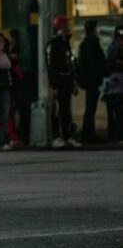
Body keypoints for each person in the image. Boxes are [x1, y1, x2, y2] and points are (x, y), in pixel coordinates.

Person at [46, 15, 81, 149]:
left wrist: (73, 82)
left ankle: (67, 135)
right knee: (56, 110)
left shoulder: (65, 44)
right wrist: (54, 85)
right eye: (66, 25)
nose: (68, 27)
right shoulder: (54, 45)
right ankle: (56, 136)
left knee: (66, 110)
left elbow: (70, 64)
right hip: (59, 81)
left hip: (66, 80)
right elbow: (52, 66)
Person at [76, 19, 107, 144]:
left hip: (89, 80)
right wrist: (99, 76)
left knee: (90, 107)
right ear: (94, 29)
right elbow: (94, 63)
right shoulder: (92, 43)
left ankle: (89, 133)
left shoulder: (85, 43)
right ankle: (88, 134)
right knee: (91, 107)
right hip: (92, 81)